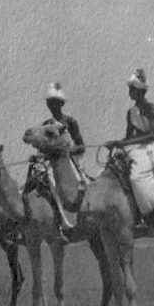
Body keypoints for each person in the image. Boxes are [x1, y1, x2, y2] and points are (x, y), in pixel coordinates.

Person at [105, 69, 154, 224]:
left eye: (132, 89)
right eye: (130, 89)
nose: (130, 92)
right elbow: (129, 136)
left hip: (151, 147)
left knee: (136, 177)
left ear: (140, 91)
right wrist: (117, 143)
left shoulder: (152, 109)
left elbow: (151, 135)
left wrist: (125, 143)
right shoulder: (131, 112)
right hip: (136, 148)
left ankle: (149, 212)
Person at [39, 82, 86, 234]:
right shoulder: (46, 125)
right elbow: (44, 148)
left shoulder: (70, 122)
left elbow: (81, 146)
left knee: (78, 183)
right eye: (50, 103)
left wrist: (66, 151)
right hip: (51, 162)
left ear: (60, 104)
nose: (52, 106)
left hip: (69, 160)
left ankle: (75, 220)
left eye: (55, 103)